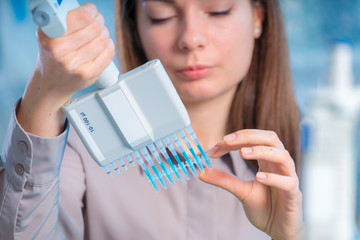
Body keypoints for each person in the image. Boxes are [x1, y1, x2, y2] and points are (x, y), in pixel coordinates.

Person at [0, 0, 303, 239]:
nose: (190, 39)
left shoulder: (304, 153)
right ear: (136, 27)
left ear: (259, 18)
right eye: (161, 15)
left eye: (217, 10)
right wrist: (44, 93)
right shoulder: (77, 150)